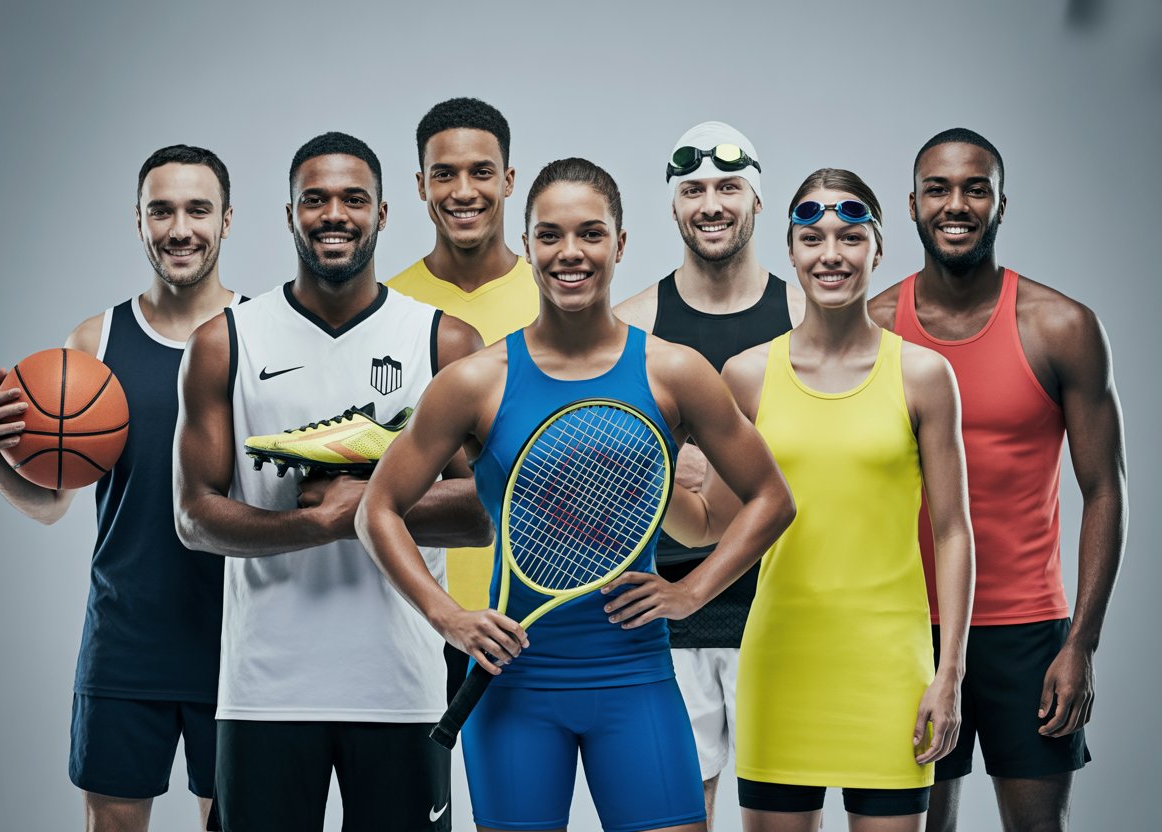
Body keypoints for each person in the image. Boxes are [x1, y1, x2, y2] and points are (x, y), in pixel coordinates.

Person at [357, 157, 796, 832]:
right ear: (528, 246)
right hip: (514, 688)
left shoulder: (673, 371)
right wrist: (446, 615)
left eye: (590, 234)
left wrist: (691, 592)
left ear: (619, 244)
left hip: (636, 678)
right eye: (551, 235)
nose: (571, 253)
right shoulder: (476, 381)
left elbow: (771, 498)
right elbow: (376, 509)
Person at [172, 131, 491, 832]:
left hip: (403, 688)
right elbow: (194, 517)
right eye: (314, 200)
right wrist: (318, 521)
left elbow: (483, 513)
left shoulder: (445, 341)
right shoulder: (226, 342)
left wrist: (370, 505)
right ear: (290, 215)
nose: (334, 214)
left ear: (382, 214)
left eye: (354, 199)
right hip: (263, 692)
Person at [667, 168, 975, 832]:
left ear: (878, 249)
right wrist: (647, 479)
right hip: (782, 666)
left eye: (850, 236)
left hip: (892, 671)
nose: (831, 254)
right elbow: (710, 526)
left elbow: (952, 533)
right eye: (813, 238)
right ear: (791, 251)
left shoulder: (924, 376)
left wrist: (949, 674)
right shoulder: (747, 376)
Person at [0, 144, 241, 831]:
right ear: (140, 222)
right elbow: (53, 503)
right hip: (126, 638)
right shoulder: (95, 342)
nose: (179, 228)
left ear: (227, 221)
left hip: (241, 641)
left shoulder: (263, 334)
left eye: (197, 209)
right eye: (162, 210)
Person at [869, 128, 1128, 832]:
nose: (957, 204)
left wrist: (1081, 643)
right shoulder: (875, 330)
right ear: (913, 205)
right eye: (939, 189)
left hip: (1029, 633)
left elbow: (1104, 487)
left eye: (974, 188)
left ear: (1000, 204)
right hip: (908, 630)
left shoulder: (1061, 326)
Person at [615, 120, 805, 827]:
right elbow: (604, 468)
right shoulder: (631, 326)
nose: (711, 203)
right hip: (669, 621)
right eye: (692, 189)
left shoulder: (807, 317)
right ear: (672, 205)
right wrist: (663, 467)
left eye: (730, 186)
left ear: (758, 199)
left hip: (782, 613)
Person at [387, 97, 540, 697]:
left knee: (517, 791)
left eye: (481, 172)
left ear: (507, 180)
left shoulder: (559, 297)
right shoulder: (387, 306)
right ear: (421, 185)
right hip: (420, 611)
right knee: (424, 796)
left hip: (535, 606)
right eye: (444, 174)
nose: (463, 190)